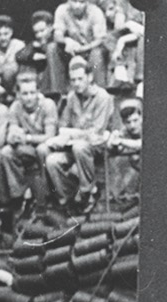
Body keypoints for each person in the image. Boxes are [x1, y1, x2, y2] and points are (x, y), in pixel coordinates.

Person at [45, 55, 114, 211]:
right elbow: (63, 125)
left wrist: (71, 134)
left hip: (97, 146)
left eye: (80, 79)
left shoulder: (102, 97)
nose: (76, 83)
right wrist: (63, 137)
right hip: (74, 146)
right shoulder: (71, 97)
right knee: (52, 161)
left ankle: (86, 191)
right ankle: (70, 197)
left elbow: (96, 132)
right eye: (73, 80)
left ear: (89, 77)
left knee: (80, 147)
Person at [0, 72, 58, 213]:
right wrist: (12, 137)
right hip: (26, 148)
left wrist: (27, 138)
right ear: (18, 94)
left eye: (32, 93)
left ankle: (48, 195)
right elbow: (13, 130)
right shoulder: (16, 107)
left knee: (42, 149)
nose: (29, 98)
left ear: (38, 92)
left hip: (45, 146)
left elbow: (50, 136)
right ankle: (19, 194)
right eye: (25, 94)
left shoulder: (47, 105)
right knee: (5, 152)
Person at [53, 0, 108, 88]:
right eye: (74, 1)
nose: (77, 6)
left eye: (82, 2)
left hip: (91, 49)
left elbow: (100, 39)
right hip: (71, 50)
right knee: (52, 48)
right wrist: (66, 40)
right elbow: (57, 35)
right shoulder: (62, 10)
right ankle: (57, 91)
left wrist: (83, 48)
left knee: (97, 54)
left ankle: (99, 90)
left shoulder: (96, 12)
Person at [106, 97, 143, 204]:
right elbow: (111, 146)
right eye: (128, 122)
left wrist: (121, 141)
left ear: (141, 117)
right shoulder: (125, 131)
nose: (132, 126)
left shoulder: (149, 127)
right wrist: (113, 138)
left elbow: (141, 144)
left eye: (135, 120)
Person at [17, 10, 58, 97]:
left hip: (55, 77)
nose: (39, 35)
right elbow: (19, 55)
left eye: (42, 31)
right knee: (25, 66)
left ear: (50, 27)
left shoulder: (56, 41)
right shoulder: (36, 43)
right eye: (36, 32)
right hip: (40, 77)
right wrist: (32, 55)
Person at [0, 15, 25, 94]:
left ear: (12, 32)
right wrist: (2, 80)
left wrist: (2, 71)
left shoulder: (18, 45)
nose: (3, 38)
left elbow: (21, 69)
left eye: (6, 34)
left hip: (17, 85)